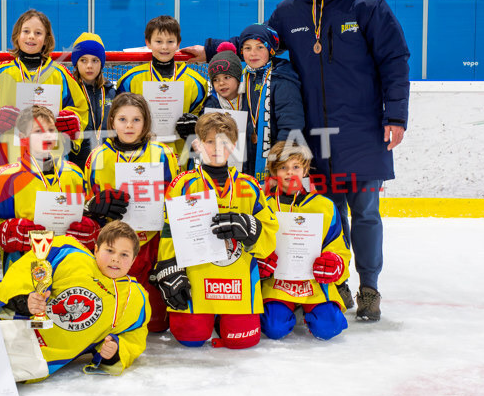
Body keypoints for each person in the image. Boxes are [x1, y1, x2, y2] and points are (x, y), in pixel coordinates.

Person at [189, 0, 410, 322]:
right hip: (312, 137)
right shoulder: (289, 12)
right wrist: (212, 50)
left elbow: (395, 59)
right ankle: (336, 279)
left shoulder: (368, 5)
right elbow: (257, 42)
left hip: (361, 130)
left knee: (366, 212)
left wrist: (396, 115)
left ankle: (369, 286)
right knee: (327, 212)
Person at [153, 112, 277, 349]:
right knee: (190, 338)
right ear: (197, 144)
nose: (217, 148)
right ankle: (210, 316)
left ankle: (224, 316)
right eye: (210, 142)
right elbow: (169, 232)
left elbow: (269, 235)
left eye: (224, 142)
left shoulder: (249, 186)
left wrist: (252, 229)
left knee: (243, 340)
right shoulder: (182, 184)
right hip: (197, 279)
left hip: (236, 282)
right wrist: (169, 270)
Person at [0, 220, 149, 377]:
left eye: (124, 254)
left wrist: (116, 351)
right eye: (110, 250)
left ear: (134, 259)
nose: (116, 259)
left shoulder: (135, 298)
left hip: (34, 357)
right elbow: (27, 267)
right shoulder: (69, 253)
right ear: (96, 249)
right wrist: (24, 300)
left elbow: (135, 335)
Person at [85, 92, 178, 332]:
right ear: (112, 121)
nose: (129, 125)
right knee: (111, 321)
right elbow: (86, 206)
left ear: (146, 122)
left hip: (151, 244)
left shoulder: (164, 154)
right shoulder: (96, 157)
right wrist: (94, 207)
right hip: (113, 248)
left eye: (136, 120)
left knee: (156, 324)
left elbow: (175, 199)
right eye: (122, 119)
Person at [0, 106, 96, 273]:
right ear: (22, 137)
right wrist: (6, 230)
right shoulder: (5, 177)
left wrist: (89, 228)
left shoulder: (74, 173)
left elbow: (85, 212)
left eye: (51, 130)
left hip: (66, 261)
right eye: (38, 131)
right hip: (22, 265)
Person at [259, 141, 350, 341]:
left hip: (313, 283)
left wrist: (335, 262)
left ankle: (308, 310)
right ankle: (290, 309)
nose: (290, 173)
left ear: (305, 169)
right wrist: (260, 262)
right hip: (277, 283)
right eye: (283, 167)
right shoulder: (264, 205)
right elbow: (256, 245)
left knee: (329, 327)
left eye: (296, 167)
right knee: (274, 327)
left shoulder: (324, 206)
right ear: (274, 171)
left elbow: (338, 247)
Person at [0, 10, 89, 165]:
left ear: (46, 39)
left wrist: (73, 121)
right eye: (26, 31)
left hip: (51, 156)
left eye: (38, 33)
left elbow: (80, 109)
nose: (31, 36)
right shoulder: (1, 73)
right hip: (10, 156)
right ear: (17, 36)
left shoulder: (59, 74)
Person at [115, 15, 208, 161]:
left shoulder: (197, 82)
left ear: (178, 44)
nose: (164, 47)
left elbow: (202, 123)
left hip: (181, 158)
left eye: (170, 41)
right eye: (158, 41)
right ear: (148, 43)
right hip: (140, 155)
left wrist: (194, 127)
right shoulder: (129, 80)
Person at [235, 24, 305, 181]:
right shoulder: (242, 77)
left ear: (271, 50)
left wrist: (280, 163)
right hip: (245, 159)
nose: (253, 53)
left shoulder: (282, 79)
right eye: (247, 48)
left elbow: (291, 124)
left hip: (273, 162)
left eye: (260, 47)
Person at [68, 32, 116, 171]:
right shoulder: (69, 91)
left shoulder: (111, 92)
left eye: (95, 60)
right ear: (76, 62)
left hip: (107, 162)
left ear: (101, 63)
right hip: (76, 164)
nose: (89, 66)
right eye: (83, 60)